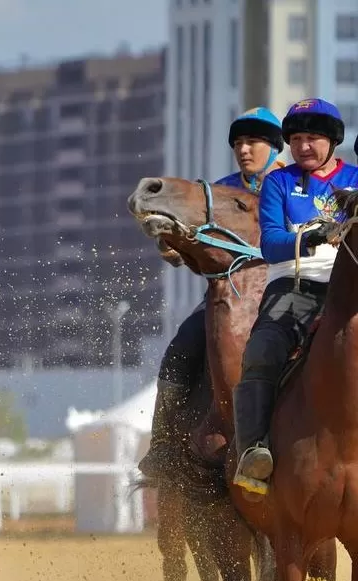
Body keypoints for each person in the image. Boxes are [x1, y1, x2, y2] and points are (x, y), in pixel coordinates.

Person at [137, 108, 284, 479]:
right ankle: (163, 446)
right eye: (238, 143)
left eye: (253, 141)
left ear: (274, 146)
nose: (244, 150)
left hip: (288, 294)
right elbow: (199, 257)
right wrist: (178, 250)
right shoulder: (218, 192)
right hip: (228, 299)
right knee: (181, 348)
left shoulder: (292, 183)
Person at [232, 98, 358, 498]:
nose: (303, 146)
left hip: (351, 288)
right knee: (262, 351)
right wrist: (317, 236)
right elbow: (271, 244)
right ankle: (254, 453)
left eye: (313, 138)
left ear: (333, 140)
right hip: (295, 287)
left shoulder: (356, 179)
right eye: (297, 138)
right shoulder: (280, 183)